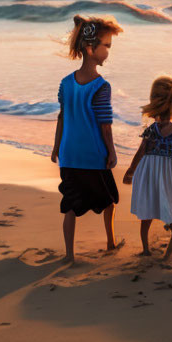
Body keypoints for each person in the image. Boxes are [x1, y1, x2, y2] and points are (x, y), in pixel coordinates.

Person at [51, 14, 124, 263]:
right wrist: (112, 152)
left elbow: (62, 117)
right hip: (93, 155)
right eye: (107, 46)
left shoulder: (65, 83)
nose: (108, 52)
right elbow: (105, 125)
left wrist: (56, 146)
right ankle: (111, 242)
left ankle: (69, 254)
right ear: (91, 48)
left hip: (69, 154)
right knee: (109, 200)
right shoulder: (101, 86)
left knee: (70, 205)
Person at [123, 76, 172, 261]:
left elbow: (141, 151)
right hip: (168, 173)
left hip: (150, 170)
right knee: (164, 206)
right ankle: (161, 248)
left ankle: (146, 249)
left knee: (147, 209)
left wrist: (131, 170)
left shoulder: (153, 130)